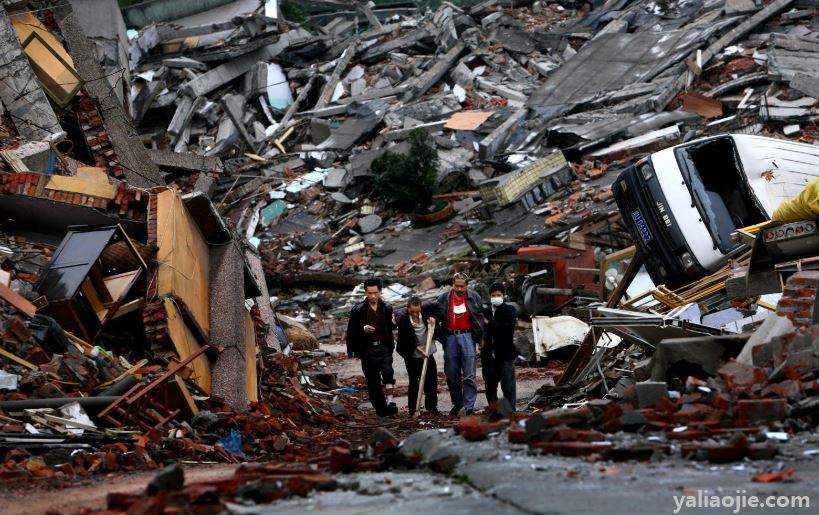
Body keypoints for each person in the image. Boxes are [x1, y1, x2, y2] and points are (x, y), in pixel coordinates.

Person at [345, 278, 398, 417]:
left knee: (388, 371)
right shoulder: (358, 310)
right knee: (373, 381)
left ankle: (390, 401)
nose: (373, 296)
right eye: (370, 293)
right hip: (367, 349)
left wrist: (394, 322)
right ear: (365, 293)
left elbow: (390, 326)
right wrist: (362, 329)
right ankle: (381, 409)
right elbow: (351, 331)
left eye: (375, 293)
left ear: (380, 291)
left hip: (384, 347)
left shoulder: (387, 308)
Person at [436, 272, 484, 416]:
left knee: (469, 373)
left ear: (467, 286)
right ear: (453, 284)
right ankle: (458, 403)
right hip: (450, 337)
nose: (459, 289)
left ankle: (469, 407)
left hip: (468, 336)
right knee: (452, 373)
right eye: (457, 286)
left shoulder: (474, 297)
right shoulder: (444, 298)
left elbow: (480, 316)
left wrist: (481, 337)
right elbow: (435, 313)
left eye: (462, 286)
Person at [396, 297, 443, 416]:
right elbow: (405, 341)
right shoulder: (403, 320)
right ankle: (413, 409)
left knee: (431, 381)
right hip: (412, 353)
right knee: (414, 382)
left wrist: (434, 318)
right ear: (408, 309)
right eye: (413, 312)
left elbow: (439, 307)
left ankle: (432, 407)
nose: (416, 314)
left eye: (418, 311)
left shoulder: (426, 310)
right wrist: (418, 350)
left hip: (428, 350)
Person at [482, 282, 517, 407]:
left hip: (505, 354)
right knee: (490, 387)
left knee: (508, 386)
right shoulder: (485, 312)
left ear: (504, 296)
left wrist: (489, 324)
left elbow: (507, 327)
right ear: (490, 297)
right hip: (488, 356)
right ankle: (494, 410)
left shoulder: (510, 310)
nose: (496, 297)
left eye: (498, 295)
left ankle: (511, 411)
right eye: (493, 295)